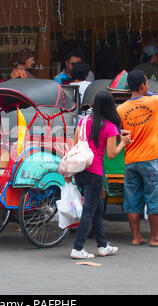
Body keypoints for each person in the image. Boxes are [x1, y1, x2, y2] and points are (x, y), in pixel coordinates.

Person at [68, 91, 132, 260]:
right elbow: (111, 154)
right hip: (95, 173)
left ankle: (102, 245)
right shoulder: (110, 126)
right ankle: (78, 247)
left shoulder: (83, 121)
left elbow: (75, 145)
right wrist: (123, 143)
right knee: (89, 210)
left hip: (80, 171)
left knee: (97, 207)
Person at [117, 69, 158, 248]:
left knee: (132, 200)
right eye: (146, 83)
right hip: (150, 159)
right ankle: (155, 238)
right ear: (143, 85)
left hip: (130, 160)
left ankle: (136, 237)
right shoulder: (153, 101)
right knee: (154, 198)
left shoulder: (121, 109)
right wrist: (146, 91)